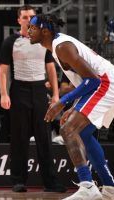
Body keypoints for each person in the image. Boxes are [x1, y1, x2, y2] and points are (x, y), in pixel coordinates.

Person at [28, 14, 114, 200]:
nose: (28, 31)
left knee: (68, 129)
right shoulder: (56, 46)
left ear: (45, 30)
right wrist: (73, 105)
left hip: (106, 84)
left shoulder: (62, 47)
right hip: (103, 84)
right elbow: (86, 80)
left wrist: (62, 102)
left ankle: (87, 186)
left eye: (32, 28)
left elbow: (93, 80)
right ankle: (110, 187)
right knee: (80, 132)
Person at [0, 5, 66, 193]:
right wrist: (4, 93)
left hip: (39, 90)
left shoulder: (43, 41)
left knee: (44, 137)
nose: (29, 20)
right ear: (19, 20)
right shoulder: (10, 41)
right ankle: (18, 180)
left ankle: (50, 182)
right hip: (19, 90)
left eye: (32, 17)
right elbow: (3, 70)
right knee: (19, 138)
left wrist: (56, 95)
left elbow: (51, 68)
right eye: (25, 17)